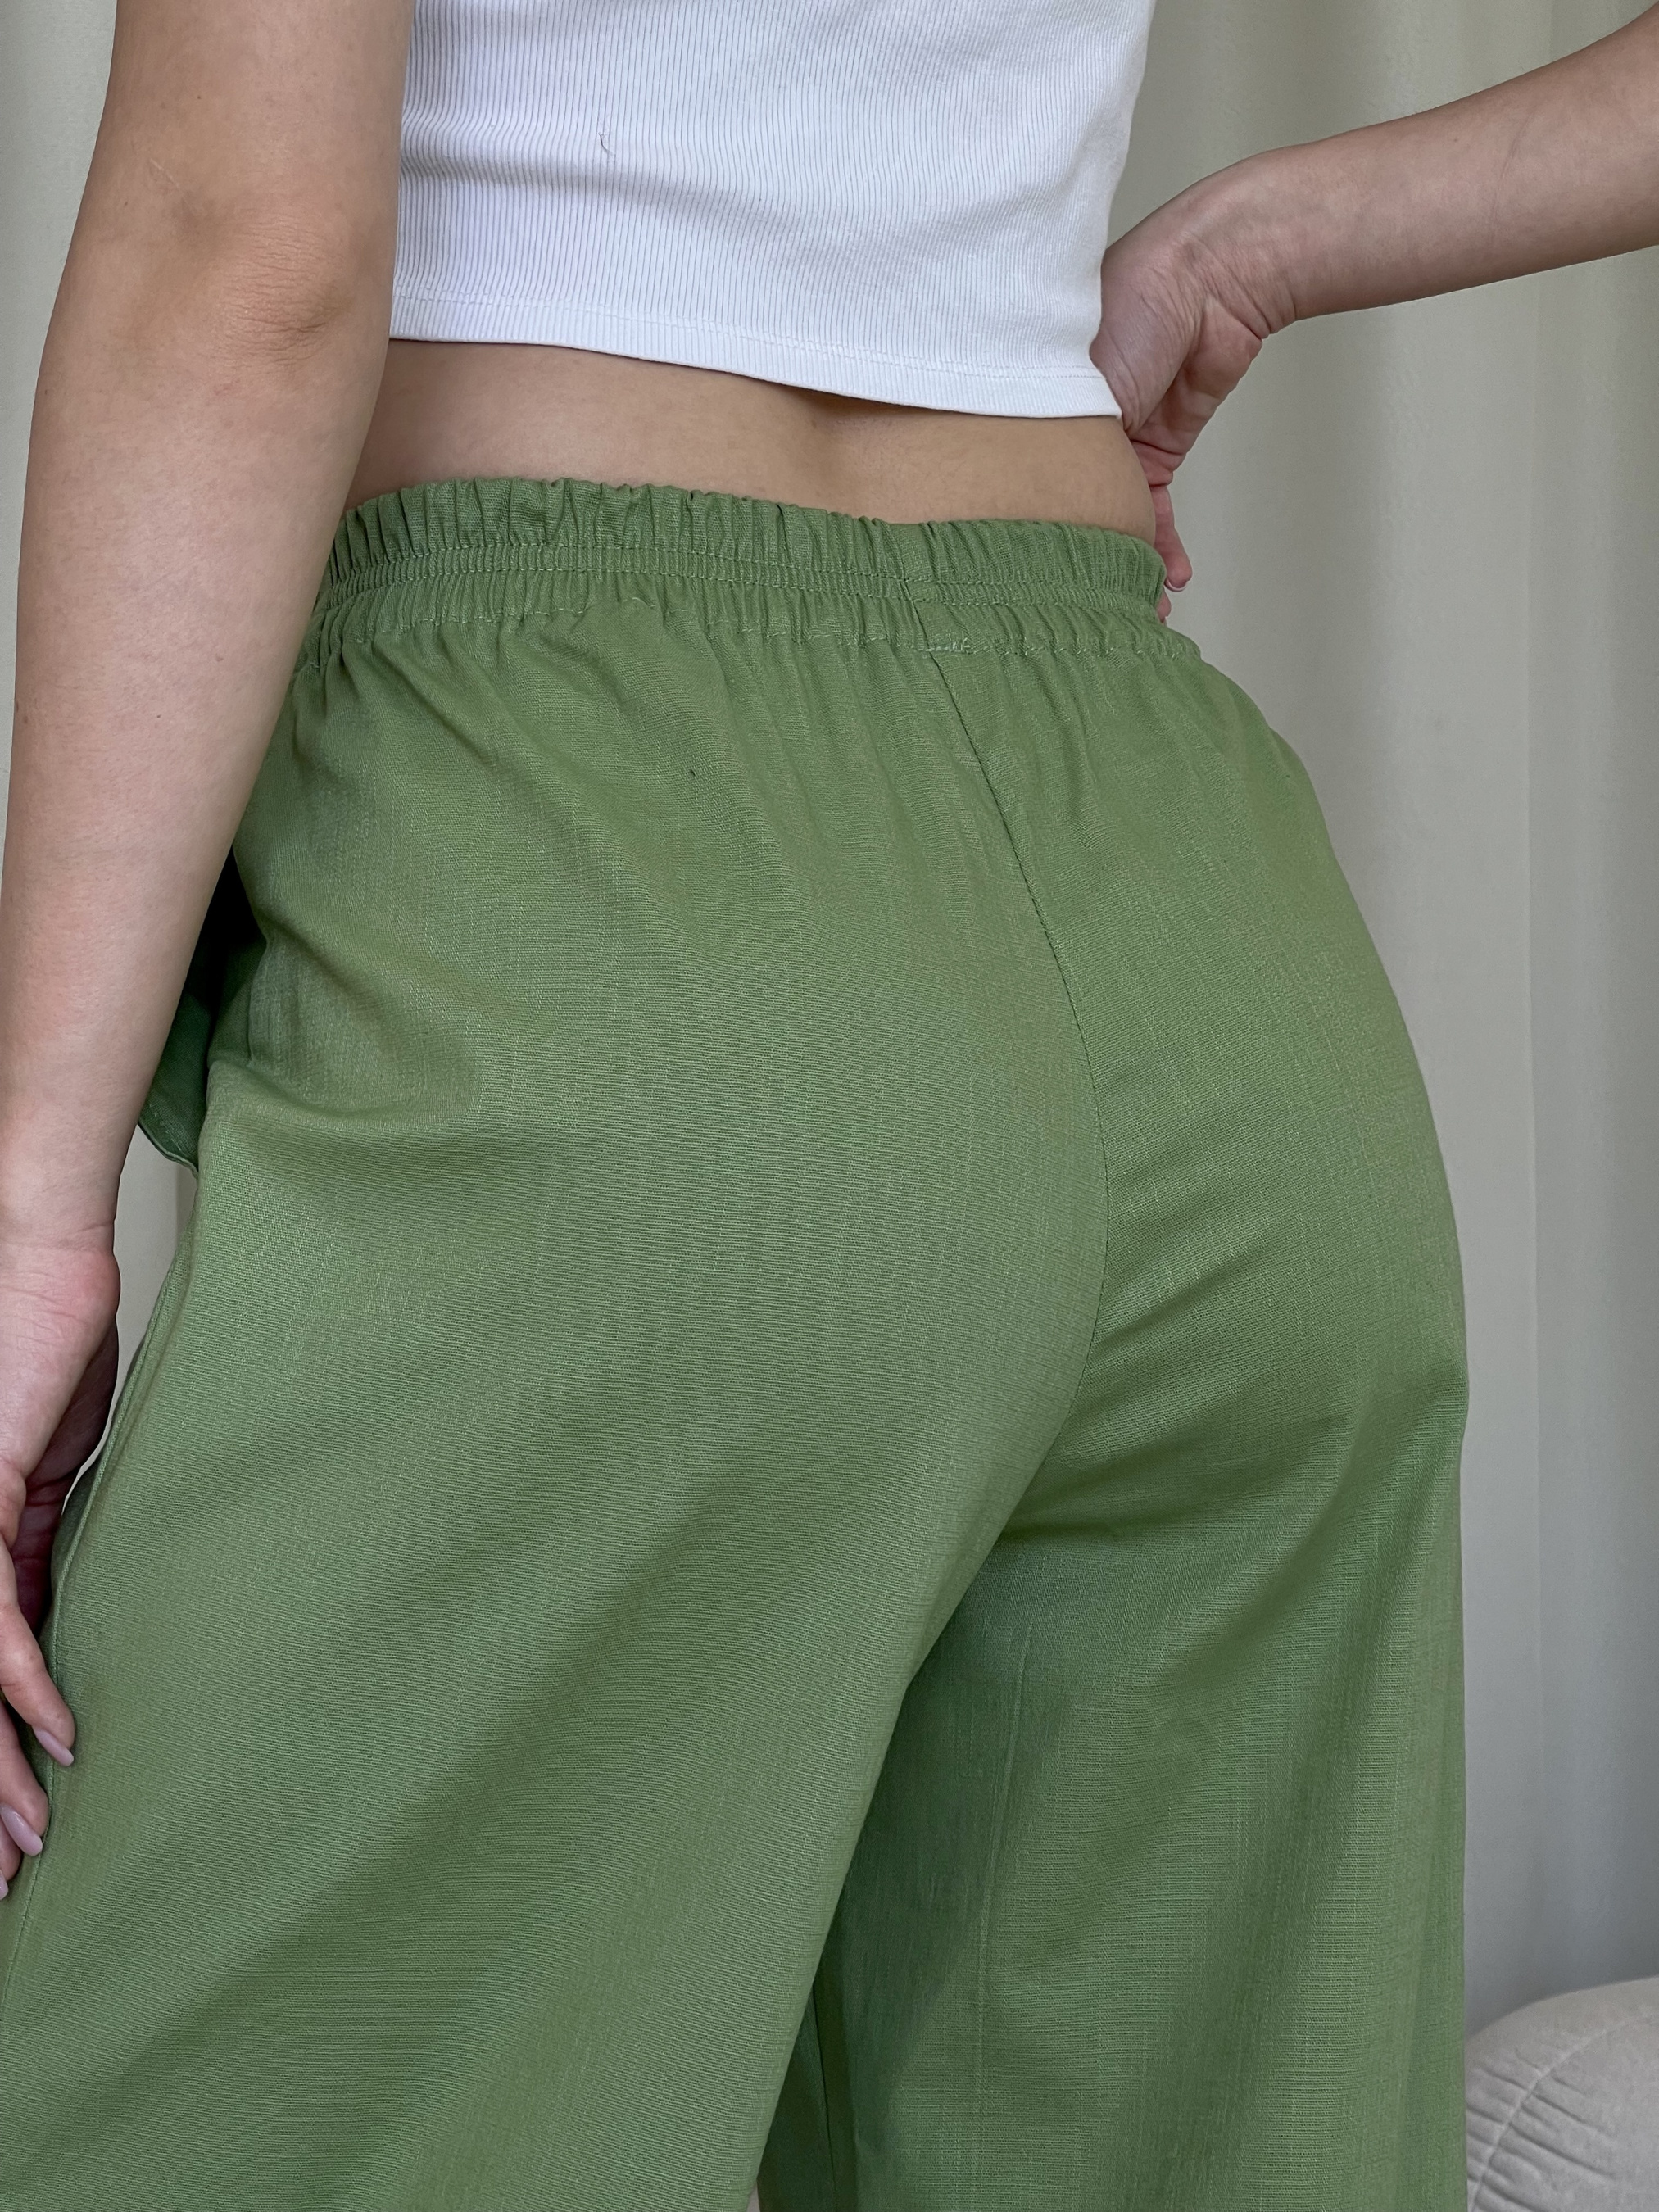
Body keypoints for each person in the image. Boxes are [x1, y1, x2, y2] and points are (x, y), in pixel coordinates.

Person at [0, 1, 1653, 2205]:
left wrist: (30, 1210)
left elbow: (251, 254)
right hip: (1206, 945)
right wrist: (1261, 237)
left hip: (606, 900)